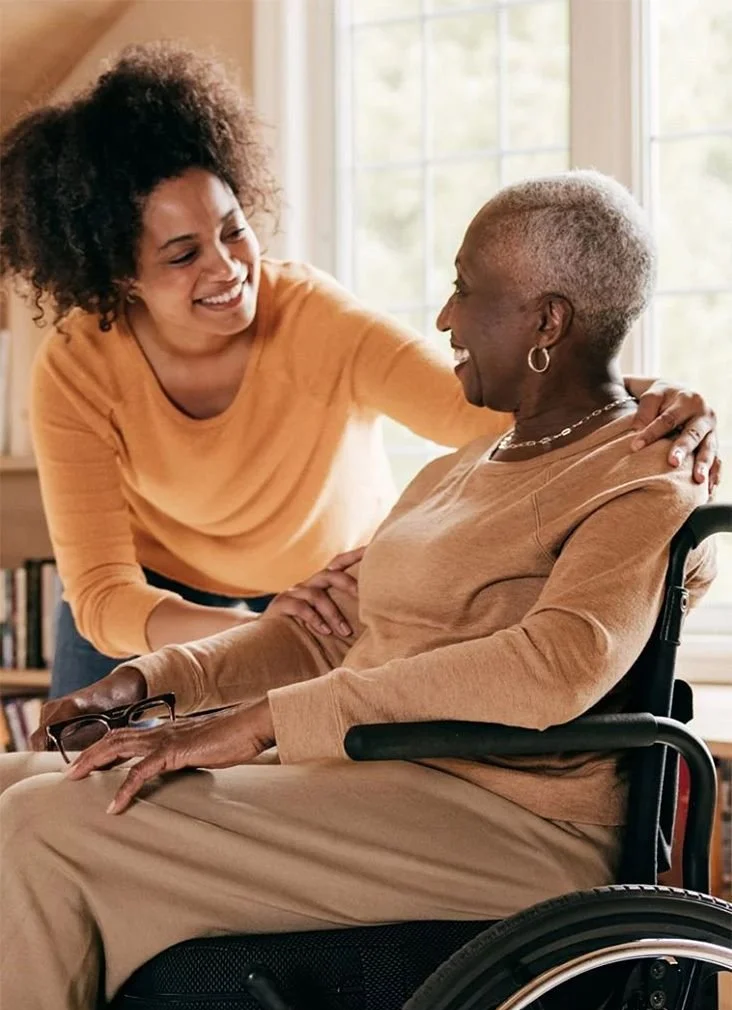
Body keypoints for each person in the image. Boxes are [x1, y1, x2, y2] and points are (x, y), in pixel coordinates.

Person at [0, 171, 717, 1010]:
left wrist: (263, 719)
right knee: (14, 781)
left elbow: (555, 665)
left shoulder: (650, 473)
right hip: (376, 773)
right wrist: (156, 683)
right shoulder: (455, 472)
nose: (445, 318)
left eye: (464, 289)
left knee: (51, 821)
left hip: (506, 821)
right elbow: (324, 632)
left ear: (546, 322)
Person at [0, 43, 720, 699]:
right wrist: (240, 629)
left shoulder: (313, 318)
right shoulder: (77, 368)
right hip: (155, 610)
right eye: (183, 255)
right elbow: (100, 595)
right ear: (121, 279)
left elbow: (474, 405)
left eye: (233, 230)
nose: (227, 268)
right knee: (80, 799)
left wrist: (636, 398)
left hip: (322, 597)